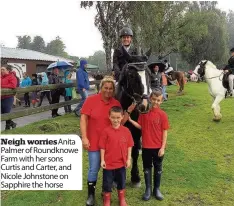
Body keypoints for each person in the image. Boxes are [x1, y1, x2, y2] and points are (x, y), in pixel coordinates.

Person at [80, 76, 136, 206]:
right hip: (94, 141)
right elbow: (83, 119)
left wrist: (128, 111)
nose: (108, 91)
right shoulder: (90, 100)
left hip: (111, 144)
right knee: (94, 168)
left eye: (111, 88)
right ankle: (91, 195)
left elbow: (120, 121)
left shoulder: (116, 103)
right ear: (101, 88)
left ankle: (107, 190)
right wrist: (84, 137)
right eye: (106, 88)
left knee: (113, 168)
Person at [128, 90, 169, 201]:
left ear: (161, 101)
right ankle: (148, 189)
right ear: (150, 99)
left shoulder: (163, 115)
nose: (156, 102)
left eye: (158, 100)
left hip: (158, 148)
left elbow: (165, 131)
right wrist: (131, 121)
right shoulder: (144, 114)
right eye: (154, 99)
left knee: (158, 168)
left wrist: (162, 147)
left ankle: (156, 189)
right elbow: (141, 126)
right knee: (147, 168)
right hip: (146, 147)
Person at [99, 106, 134, 206]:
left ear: (122, 117)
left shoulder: (126, 131)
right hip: (109, 164)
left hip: (121, 163)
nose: (115, 120)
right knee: (107, 182)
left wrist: (128, 159)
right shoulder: (106, 131)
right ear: (109, 117)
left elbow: (129, 145)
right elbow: (102, 147)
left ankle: (122, 199)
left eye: (118, 117)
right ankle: (107, 200)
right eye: (113, 117)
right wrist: (102, 160)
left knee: (121, 182)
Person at [1, 64, 17, 130]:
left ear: (8, 70)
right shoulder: (0, 77)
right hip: (1, 97)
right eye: (0, 69)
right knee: (2, 112)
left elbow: (13, 85)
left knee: (6, 112)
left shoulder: (12, 77)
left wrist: (2, 86)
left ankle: (7, 127)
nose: (1, 71)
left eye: (3, 69)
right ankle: (12, 123)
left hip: (8, 97)